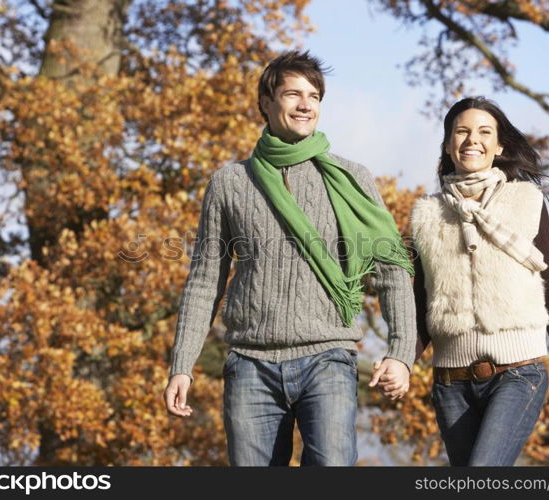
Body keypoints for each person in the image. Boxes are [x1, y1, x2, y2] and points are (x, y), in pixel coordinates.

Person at [163, 50, 417, 466]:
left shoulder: (351, 177)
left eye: (314, 96)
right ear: (265, 102)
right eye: (293, 94)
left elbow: (391, 271)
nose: (305, 105)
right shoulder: (230, 182)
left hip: (328, 358)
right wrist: (182, 365)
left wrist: (401, 353)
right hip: (250, 364)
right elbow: (205, 280)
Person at [410, 96, 549, 466]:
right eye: (462, 131)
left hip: (519, 375)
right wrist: (401, 360)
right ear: (448, 143)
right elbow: (423, 305)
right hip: (450, 383)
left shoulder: (526, 200)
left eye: (484, 132)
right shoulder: (427, 214)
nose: (473, 139)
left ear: (499, 145)